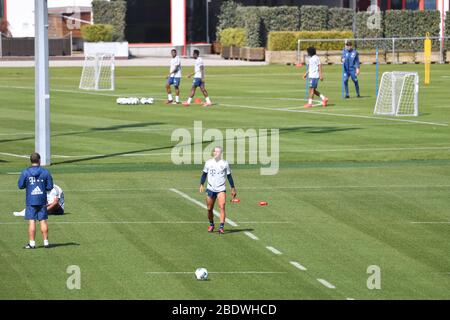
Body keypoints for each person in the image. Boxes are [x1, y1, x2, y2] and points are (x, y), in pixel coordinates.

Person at [18, 152, 54, 249]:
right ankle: (46, 242)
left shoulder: (26, 172)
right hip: (42, 199)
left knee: (32, 221)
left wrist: (28, 184)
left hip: (31, 200)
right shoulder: (45, 172)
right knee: (43, 220)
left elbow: (20, 185)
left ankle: (32, 243)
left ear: (31, 161)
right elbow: (50, 186)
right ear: (39, 160)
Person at [199, 147, 236, 234]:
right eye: (215, 151)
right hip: (210, 188)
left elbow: (229, 176)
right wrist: (201, 184)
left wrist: (233, 188)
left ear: (221, 153)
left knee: (222, 206)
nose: (216, 153)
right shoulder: (208, 163)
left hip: (221, 189)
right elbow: (204, 174)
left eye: (217, 151)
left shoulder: (225, 163)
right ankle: (211, 224)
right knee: (209, 209)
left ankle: (221, 227)